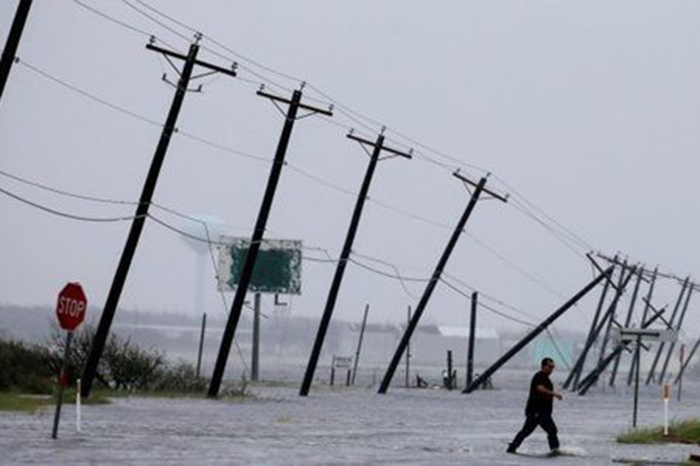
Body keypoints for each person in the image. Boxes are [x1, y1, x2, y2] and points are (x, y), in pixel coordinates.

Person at [507, 357, 562, 455]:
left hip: (541, 412)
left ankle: (512, 448)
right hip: (537, 411)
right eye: (550, 366)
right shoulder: (540, 376)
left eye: (553, 367)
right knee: (551, 430)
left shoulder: (545, 378)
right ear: (543, 366)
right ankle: (555, 451)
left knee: (527, 431)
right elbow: (540, 388)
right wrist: (554, 394)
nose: (551, 369)